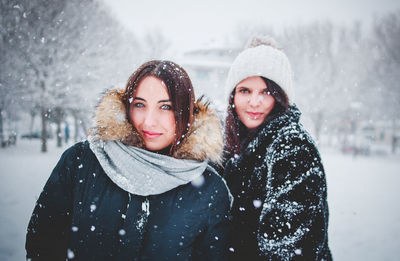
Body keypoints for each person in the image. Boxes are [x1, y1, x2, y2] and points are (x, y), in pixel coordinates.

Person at [26, 60, 232, 260]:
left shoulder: (209, 189)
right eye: (140, 104)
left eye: (166, 107)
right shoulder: (81, 161)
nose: (149, 121)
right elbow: (43, 244)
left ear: (186, 113)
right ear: (127, 106)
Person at [223, 36, 332, 260]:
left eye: (266, 91)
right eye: (245, 90)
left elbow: (289, 250)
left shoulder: (292, 148)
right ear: (233, 95)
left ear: (281, 97)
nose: (255, 102)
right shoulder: (230, 147)